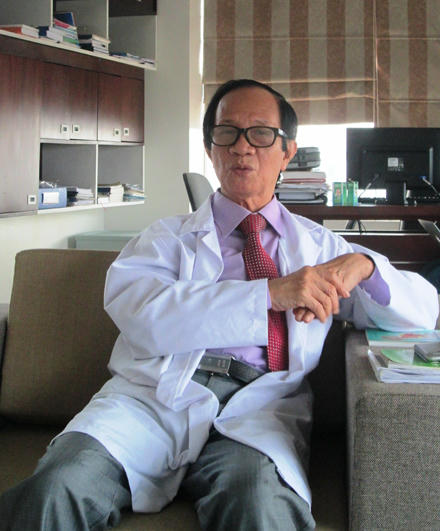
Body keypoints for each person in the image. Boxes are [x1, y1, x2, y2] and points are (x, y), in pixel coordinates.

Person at [0, 79, 438, 531]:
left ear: (287, 152)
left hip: (259, 408)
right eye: (227, 133)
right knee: (55, 488)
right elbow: (143, 317)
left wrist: (366, 265)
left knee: (257, 506)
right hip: (150, 401)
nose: (241, 147)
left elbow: (423, 312)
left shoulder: (319, 248)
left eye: (260, 133)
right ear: (210, 149)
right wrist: (271, 293)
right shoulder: (165, 239)